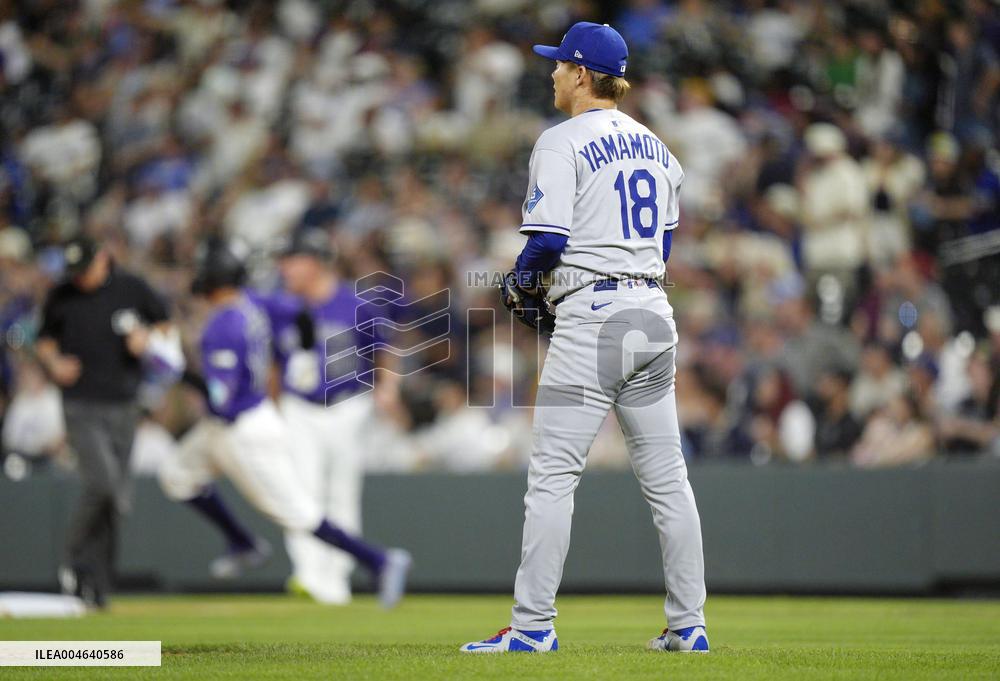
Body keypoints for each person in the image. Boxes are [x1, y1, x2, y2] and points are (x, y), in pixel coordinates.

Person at [461, 22, 708, 654]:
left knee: (552, 477)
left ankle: (532, 627)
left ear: (579, 74)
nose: (550, 74)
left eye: (557, 65)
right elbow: (663, 246)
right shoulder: (660, 149)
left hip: (594, 317)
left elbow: (546, 242)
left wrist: (519, 285)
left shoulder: (561, 139)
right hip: (652, 315)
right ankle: (689, 626)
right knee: (669, 480)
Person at [157, 242, 411, 609]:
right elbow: (301, 313)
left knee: (300, 511)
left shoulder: (225, 326)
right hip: (264, 414)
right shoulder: (254, 305)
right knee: (177, 474)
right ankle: (244, 544)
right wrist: (306, 352)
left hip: (242, 425)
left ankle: (378, 560)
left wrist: (176, 371)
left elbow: (220, 404)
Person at [36, 236, 172, 608]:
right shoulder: (62, 294)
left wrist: (148, 339)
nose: (79, 278)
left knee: (116, 498)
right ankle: (72, 559)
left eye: (85, 270)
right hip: (80, 403)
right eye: (74, 272)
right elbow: (45, 338)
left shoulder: (132, 288)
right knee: (104, 483)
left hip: (124, 403)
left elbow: (165, 326)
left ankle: (95, 582)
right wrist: (53, 363)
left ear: (104, 259)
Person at [263, 228, 386, 604]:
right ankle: (307, 573)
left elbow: (383, 347)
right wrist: (275, 408)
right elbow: (273, 364)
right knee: (300, 490)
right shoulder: (281, 308)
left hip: (349, 404)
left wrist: (387, 389)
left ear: (316, 261)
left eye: (293, 259)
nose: (285, 267)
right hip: (300, 406)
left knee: (342, 494)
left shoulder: (353, 303)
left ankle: (336, 579)